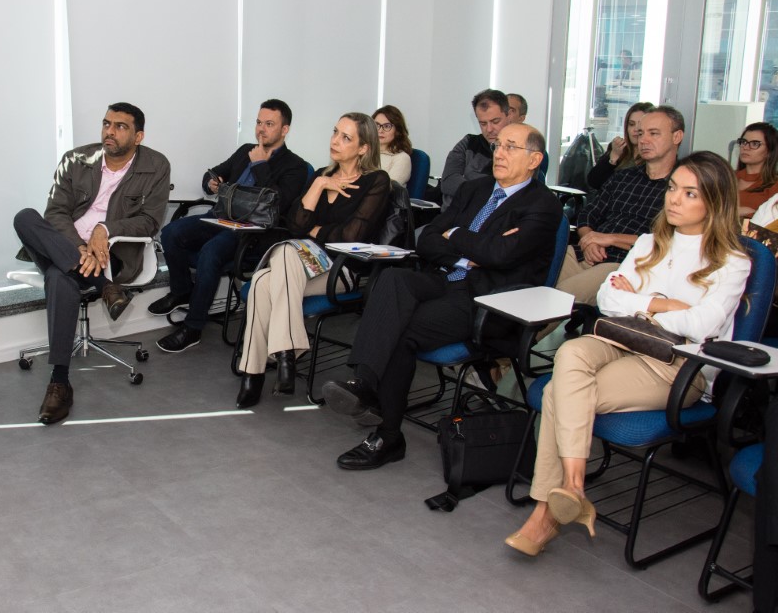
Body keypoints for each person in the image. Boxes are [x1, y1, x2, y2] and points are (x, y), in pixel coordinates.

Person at [505, 151, 750, 556]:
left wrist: (639, 301)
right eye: (673, 188)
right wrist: (665, 305)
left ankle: (547, 511)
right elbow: (607, 299)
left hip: (679, 367)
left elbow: (702, 326)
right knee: (572, 352)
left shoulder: (731, 260)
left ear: (715, 201)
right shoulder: (649, 243)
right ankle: (574, 487)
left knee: (556, 393)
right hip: (621, 341)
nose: (674, 199)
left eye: (690, 193)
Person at [321, 123, 562, 469]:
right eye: (497, 146)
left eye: (511, 147)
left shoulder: (543, 205)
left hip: (488, 302)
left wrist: (457, 234)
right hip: (445, 277)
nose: (499, 153)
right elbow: (428, 238)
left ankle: (387, 435)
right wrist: (472, 248)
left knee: (401, 330)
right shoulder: (475, 189)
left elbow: (501, 255)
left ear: (535, 159)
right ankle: (365, 383)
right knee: (393, 278)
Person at [13, 103, 170, 425]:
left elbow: (150, 221)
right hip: (65, 245)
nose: (109, 131)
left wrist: (104, 229)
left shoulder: (156, 166)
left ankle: (59, 382)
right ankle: (105, 287)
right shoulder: (76, 159)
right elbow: (55, 212)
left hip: (112, 255)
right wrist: (79, 248)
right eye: (106, 123)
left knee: (59, 276)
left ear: (138, 136)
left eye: (120, 126)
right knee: (25, 217)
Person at [234, 113, 390, 409]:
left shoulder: (376, 181)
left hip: (341, 269)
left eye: (346, 137)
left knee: (274, 267)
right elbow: (295, 226)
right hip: (300, 265)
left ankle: (257, 371)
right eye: (335, 132)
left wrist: (316, 230)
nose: (335, 140)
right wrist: (318, 185)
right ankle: (282, 356)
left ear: (363, 148)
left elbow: (352, 235)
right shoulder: (321, 174)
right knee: (270, 274)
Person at [152, 99, 309, 353]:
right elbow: (213, 172)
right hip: (221, 217)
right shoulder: (245, 150)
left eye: (269, 124)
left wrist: (260, 165)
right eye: (258, 122)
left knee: (211, 252)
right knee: (171, 232)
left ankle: (193, 327)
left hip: (253, 230)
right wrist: (211, 182)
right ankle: (182, 291)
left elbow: (278, 203)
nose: (261, 129)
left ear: (285, 129)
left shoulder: (296, 166)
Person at [556, 107, 684, 308]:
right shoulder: (624, 177)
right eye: (640, 133)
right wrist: (590, 240)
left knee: (559, 298)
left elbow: (669, 241)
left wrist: (609, 238)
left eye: (653, 133)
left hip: (626, 265)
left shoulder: (682, 189)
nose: (643, 140)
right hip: (586, 252)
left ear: (677, 137)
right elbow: (588, 213)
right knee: (532, 284)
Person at [438, 89, 511, 209]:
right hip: (452, 214)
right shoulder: (468, 143)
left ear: (508, 116)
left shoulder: (521, 149)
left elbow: (508, 192)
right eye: (483, 123)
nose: (489, 129)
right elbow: (448, 182)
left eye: (495, 121)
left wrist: (465, 186)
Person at [586, 102, 655, 190]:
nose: (635, 129)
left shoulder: (654, 155)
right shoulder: (619, 147)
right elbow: (593, 182)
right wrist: (613, 158)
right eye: (631, 124)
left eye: (640, 124)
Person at [735, 122, 778, 219]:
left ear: (769, 151)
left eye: (755, 144)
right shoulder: (726, 178)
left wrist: (752, 213)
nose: (745, 147)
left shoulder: (775, 186)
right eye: (743, 142)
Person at [372, 105, 413, 187]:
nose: (380, 130)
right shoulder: (364, 151)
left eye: (387, 126)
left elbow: (385, 189)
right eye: (377, 125)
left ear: (398, 130)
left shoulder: (402, 158)